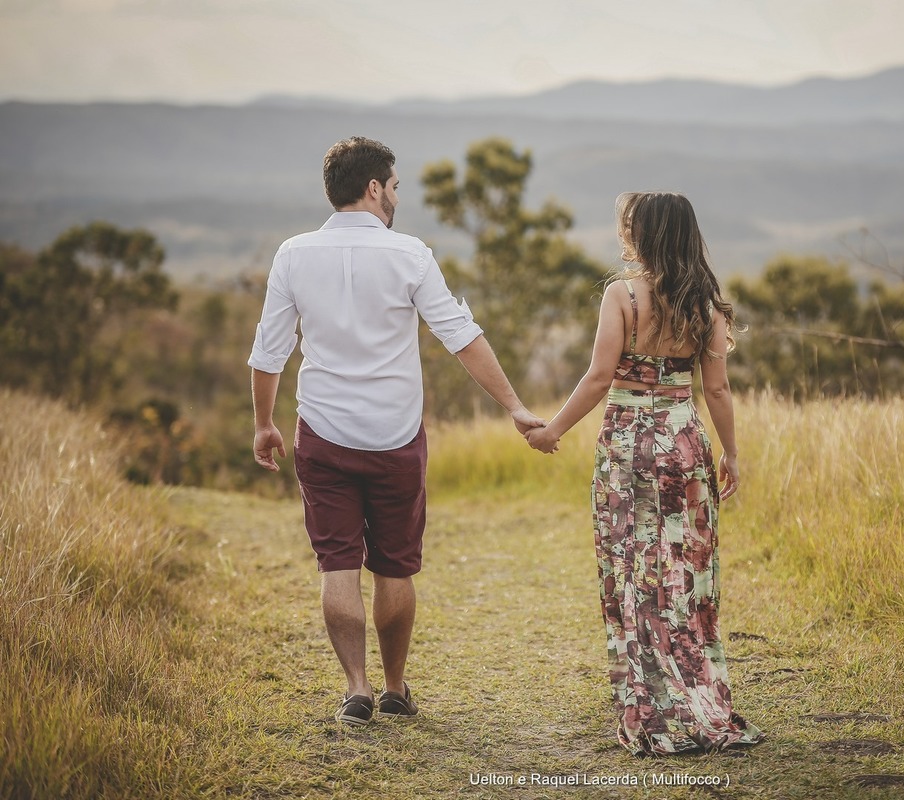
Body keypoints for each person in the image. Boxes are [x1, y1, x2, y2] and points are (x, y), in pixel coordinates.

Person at [248, 136, 543, 727]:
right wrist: (514, 405)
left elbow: (268, 353)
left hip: (323, 435)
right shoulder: (409, 254)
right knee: (395, 566)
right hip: (395, 438)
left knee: (337, 565)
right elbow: (462, 337)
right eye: (396, 186)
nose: (396, 196)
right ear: (375, 188)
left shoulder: (293, 254)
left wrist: (263, 424)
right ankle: (395, 686)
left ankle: (355, 690)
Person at [525, 191, 763, 756]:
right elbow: (718, 390)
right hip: (685, 442)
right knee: (684, 571)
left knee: (634, 568)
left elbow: (598, 376)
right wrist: (731, 453)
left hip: (629, 447)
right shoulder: (704, 304)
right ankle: (699, 696)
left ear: (642, 235)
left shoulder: (622, 297)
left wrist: (553, 430)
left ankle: (651, 702)